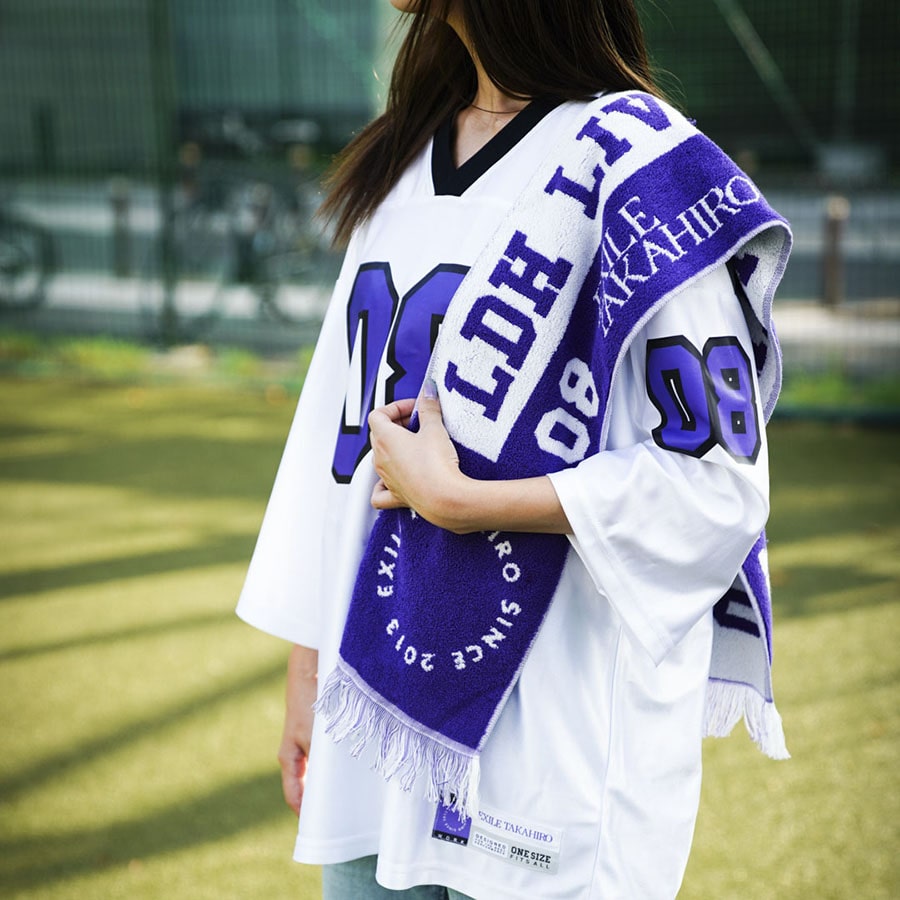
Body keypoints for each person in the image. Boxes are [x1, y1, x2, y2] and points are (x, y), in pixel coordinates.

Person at [237, 1, 791, 898]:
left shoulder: (637, 162)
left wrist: (467, 502)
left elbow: (717, 489)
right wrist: (308, 666)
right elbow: (333, 440)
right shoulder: (402, 155)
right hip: (372, 729)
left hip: (548, 768)